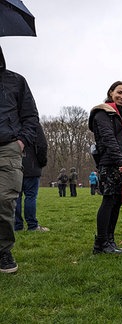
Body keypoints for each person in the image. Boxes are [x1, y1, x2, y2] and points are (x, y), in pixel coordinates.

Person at [88, 81, 122, 254]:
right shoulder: (103, 113)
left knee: (118, 202)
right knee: (109, 200)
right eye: (119, 92)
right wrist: (120, 161)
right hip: (110, 163)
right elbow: (108, 139)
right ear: (111, 92)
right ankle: (100, 243)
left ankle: (110, 241)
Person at [0, 45, 41, 273]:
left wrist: (21, 142)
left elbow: (30, 116)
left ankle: (3, 250)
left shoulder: (16, 81)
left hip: (7, 148)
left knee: (4, 201)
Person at [15, 123, 49, 232]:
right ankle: (32, 225)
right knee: (30, 197)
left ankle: (17, 226)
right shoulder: (33, 124)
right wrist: (41, 162)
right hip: (32, 166)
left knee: (16, 197)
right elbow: (42, 145)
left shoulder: (11, 123)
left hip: (14, 165)